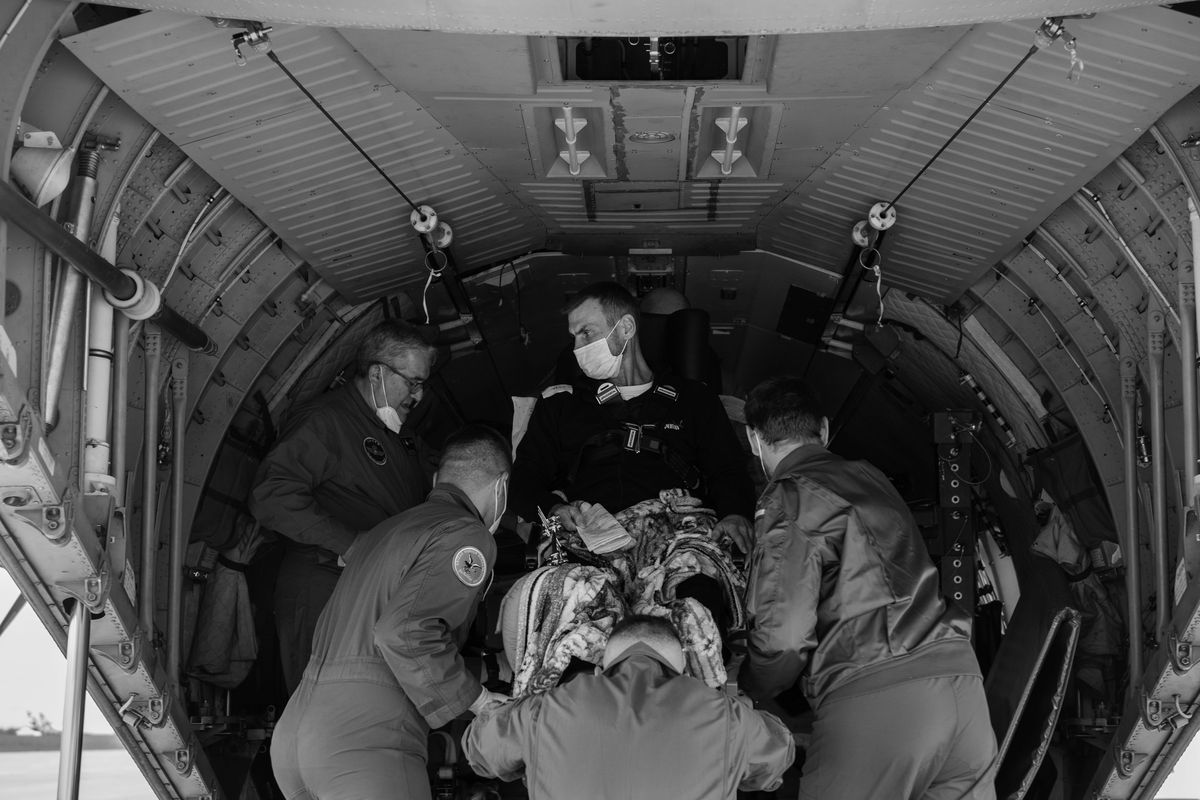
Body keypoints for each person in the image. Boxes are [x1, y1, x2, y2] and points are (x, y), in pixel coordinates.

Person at [740, 376, 997, 800]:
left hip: (882, 694)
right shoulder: (869, 475)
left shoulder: (788, 497)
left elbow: (784, 638)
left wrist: (749, 683)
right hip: (962, 686)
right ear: (823, 429)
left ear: (753, 439)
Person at [270, 424, 512, 800]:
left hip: (297, 733)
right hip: (365, 740)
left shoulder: (384, 531)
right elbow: (404, 631)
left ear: (437, 478)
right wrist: (478, 701)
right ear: (501, 487)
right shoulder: (465, 534)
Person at [249, 319, 436, 692]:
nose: (417, 396)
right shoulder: (326, 421)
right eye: (413, 382)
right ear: (378, 373)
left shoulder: (398, 435)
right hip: (323, 589)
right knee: (320, 705)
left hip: (371, 592)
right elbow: (272, 495)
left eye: (422, 385)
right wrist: (351, 544)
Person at [510, 281, 754, 548]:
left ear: (626, 328)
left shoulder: (695, 399)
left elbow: (728, 469)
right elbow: (524, 479)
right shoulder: (560, 403)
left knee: (694, 585)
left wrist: (735, 513)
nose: (577, 347)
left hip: (679, 537)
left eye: (586, 333)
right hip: (589, 540)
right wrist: (552, 507)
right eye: (574, 336)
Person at [463, 614, 795, 799]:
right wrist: (745, 714)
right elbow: (777, 758)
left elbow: (481, 752)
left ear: (599, 669)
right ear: (681, 670)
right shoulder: (726, 717)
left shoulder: (545, 710)